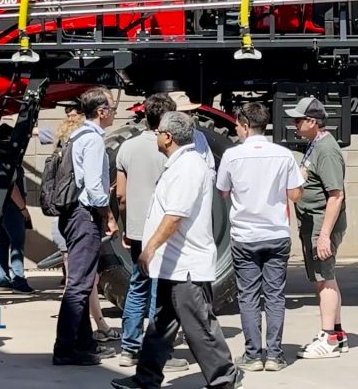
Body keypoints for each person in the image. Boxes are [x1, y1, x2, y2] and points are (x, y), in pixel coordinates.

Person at [111, 111, 241, 389]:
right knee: (161, 325)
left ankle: (224, 379)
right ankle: (146, 378)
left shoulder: (188, 167)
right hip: (172, 263)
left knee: (199, 326)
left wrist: (149, 249)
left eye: (158, 132)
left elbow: (175, 216)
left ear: (168, 137)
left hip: (187, 266)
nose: (156, 136)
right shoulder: (178, 164)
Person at [216, 102, 303, 372]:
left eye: (237, 126)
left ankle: (253, 355)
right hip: (276, 233)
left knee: (248, 296)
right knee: (275, 295)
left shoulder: (232, 156)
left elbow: (222, 191)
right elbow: (295, 195)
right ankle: (275, 355)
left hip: (245, 235)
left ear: (245, 125)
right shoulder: (284, 155)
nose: (236, 129)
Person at [116, 93, 188, 371]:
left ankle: (129, 348)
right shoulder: (174, 149)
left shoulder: (127, 147)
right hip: (163, 230)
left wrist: (126, 226)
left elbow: (121, 195)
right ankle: (157, 353)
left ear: (145, 115)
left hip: (137, 229)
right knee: (161, 292)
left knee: (137, 286)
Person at [53, 86, 119, 366]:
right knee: (79, 285)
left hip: (74, 215)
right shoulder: (92, 140)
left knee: (81, 283)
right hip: (84, 216)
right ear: (101, 112)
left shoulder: (77, 136)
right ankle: (65, 349)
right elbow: (93, 187)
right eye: (112, 109)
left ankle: (83, 343)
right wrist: (109, 216)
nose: (114, 113)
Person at [287, 96, 349, 359]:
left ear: (312, 121)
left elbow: (336, 195)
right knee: (325, 278)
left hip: (321, 224)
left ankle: (329, 339)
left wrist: (324, 235)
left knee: (325, 280)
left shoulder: (327, 151)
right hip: (313, 222)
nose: (294, 124)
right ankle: (337, 334)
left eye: (298, 120)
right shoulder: (315, 144)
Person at [0, 123, 34, 294]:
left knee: (4, 241)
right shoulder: (7, 160)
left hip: (0, 203)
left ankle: (2, 278)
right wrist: (23, 208)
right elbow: (12, 186)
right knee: (17, 242)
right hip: (11, 205)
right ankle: (19, 280)